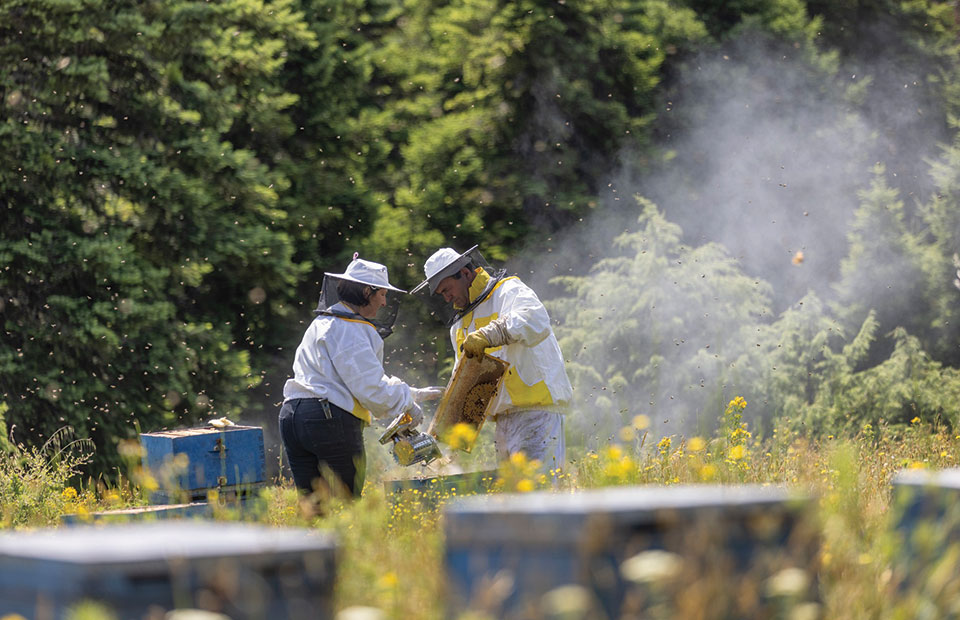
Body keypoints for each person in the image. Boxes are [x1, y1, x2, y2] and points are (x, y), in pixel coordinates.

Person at [279, 253, 442, 498]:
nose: (385, 303)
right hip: (327, 419)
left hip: (292, 417)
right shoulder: (349, 328)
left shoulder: (322, 323)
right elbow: (371, 389)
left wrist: (412, 394)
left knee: (312, 506)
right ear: (367, 291)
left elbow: (350, 379)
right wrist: (407, 402)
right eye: (382, 294)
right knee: (346, 502)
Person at [412, 245, 572, 471]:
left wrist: (491, 334)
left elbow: (536, 321)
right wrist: (450, 440)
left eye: (447, 289)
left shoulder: (508, 291)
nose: (447, 298)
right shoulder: (459, 325)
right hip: (502, 422)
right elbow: (465, 382)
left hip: (536, 412)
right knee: (513, 500)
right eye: (441, 295)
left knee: (538, 495)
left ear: (465, 274)